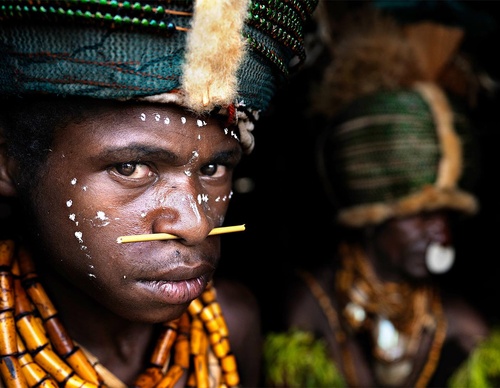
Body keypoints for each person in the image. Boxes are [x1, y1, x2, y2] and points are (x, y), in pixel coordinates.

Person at [0, 0, 318, 387]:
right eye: (131, 167)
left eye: (213, 169)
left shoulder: (233, 325)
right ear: (7, 162)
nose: (197, 226)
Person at [262, 6, 500, 387]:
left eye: (446, 215)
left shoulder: (464, 330)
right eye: (421, 215)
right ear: (371, 218)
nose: (441, 232)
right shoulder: (308, 310)